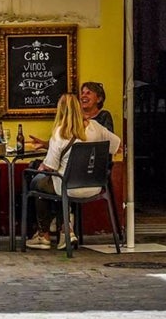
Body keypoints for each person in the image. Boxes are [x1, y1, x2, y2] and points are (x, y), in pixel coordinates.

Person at [26, 92, 121, 249]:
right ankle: (66, 231)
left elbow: (50, 167)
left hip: (67, 187)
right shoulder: (96, 128)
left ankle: (44, 235)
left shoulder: (60, 132)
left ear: (60, 111)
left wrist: (41, 167)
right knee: (55, 187)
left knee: (37, 182)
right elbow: (117, 147)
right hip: (95, 187)